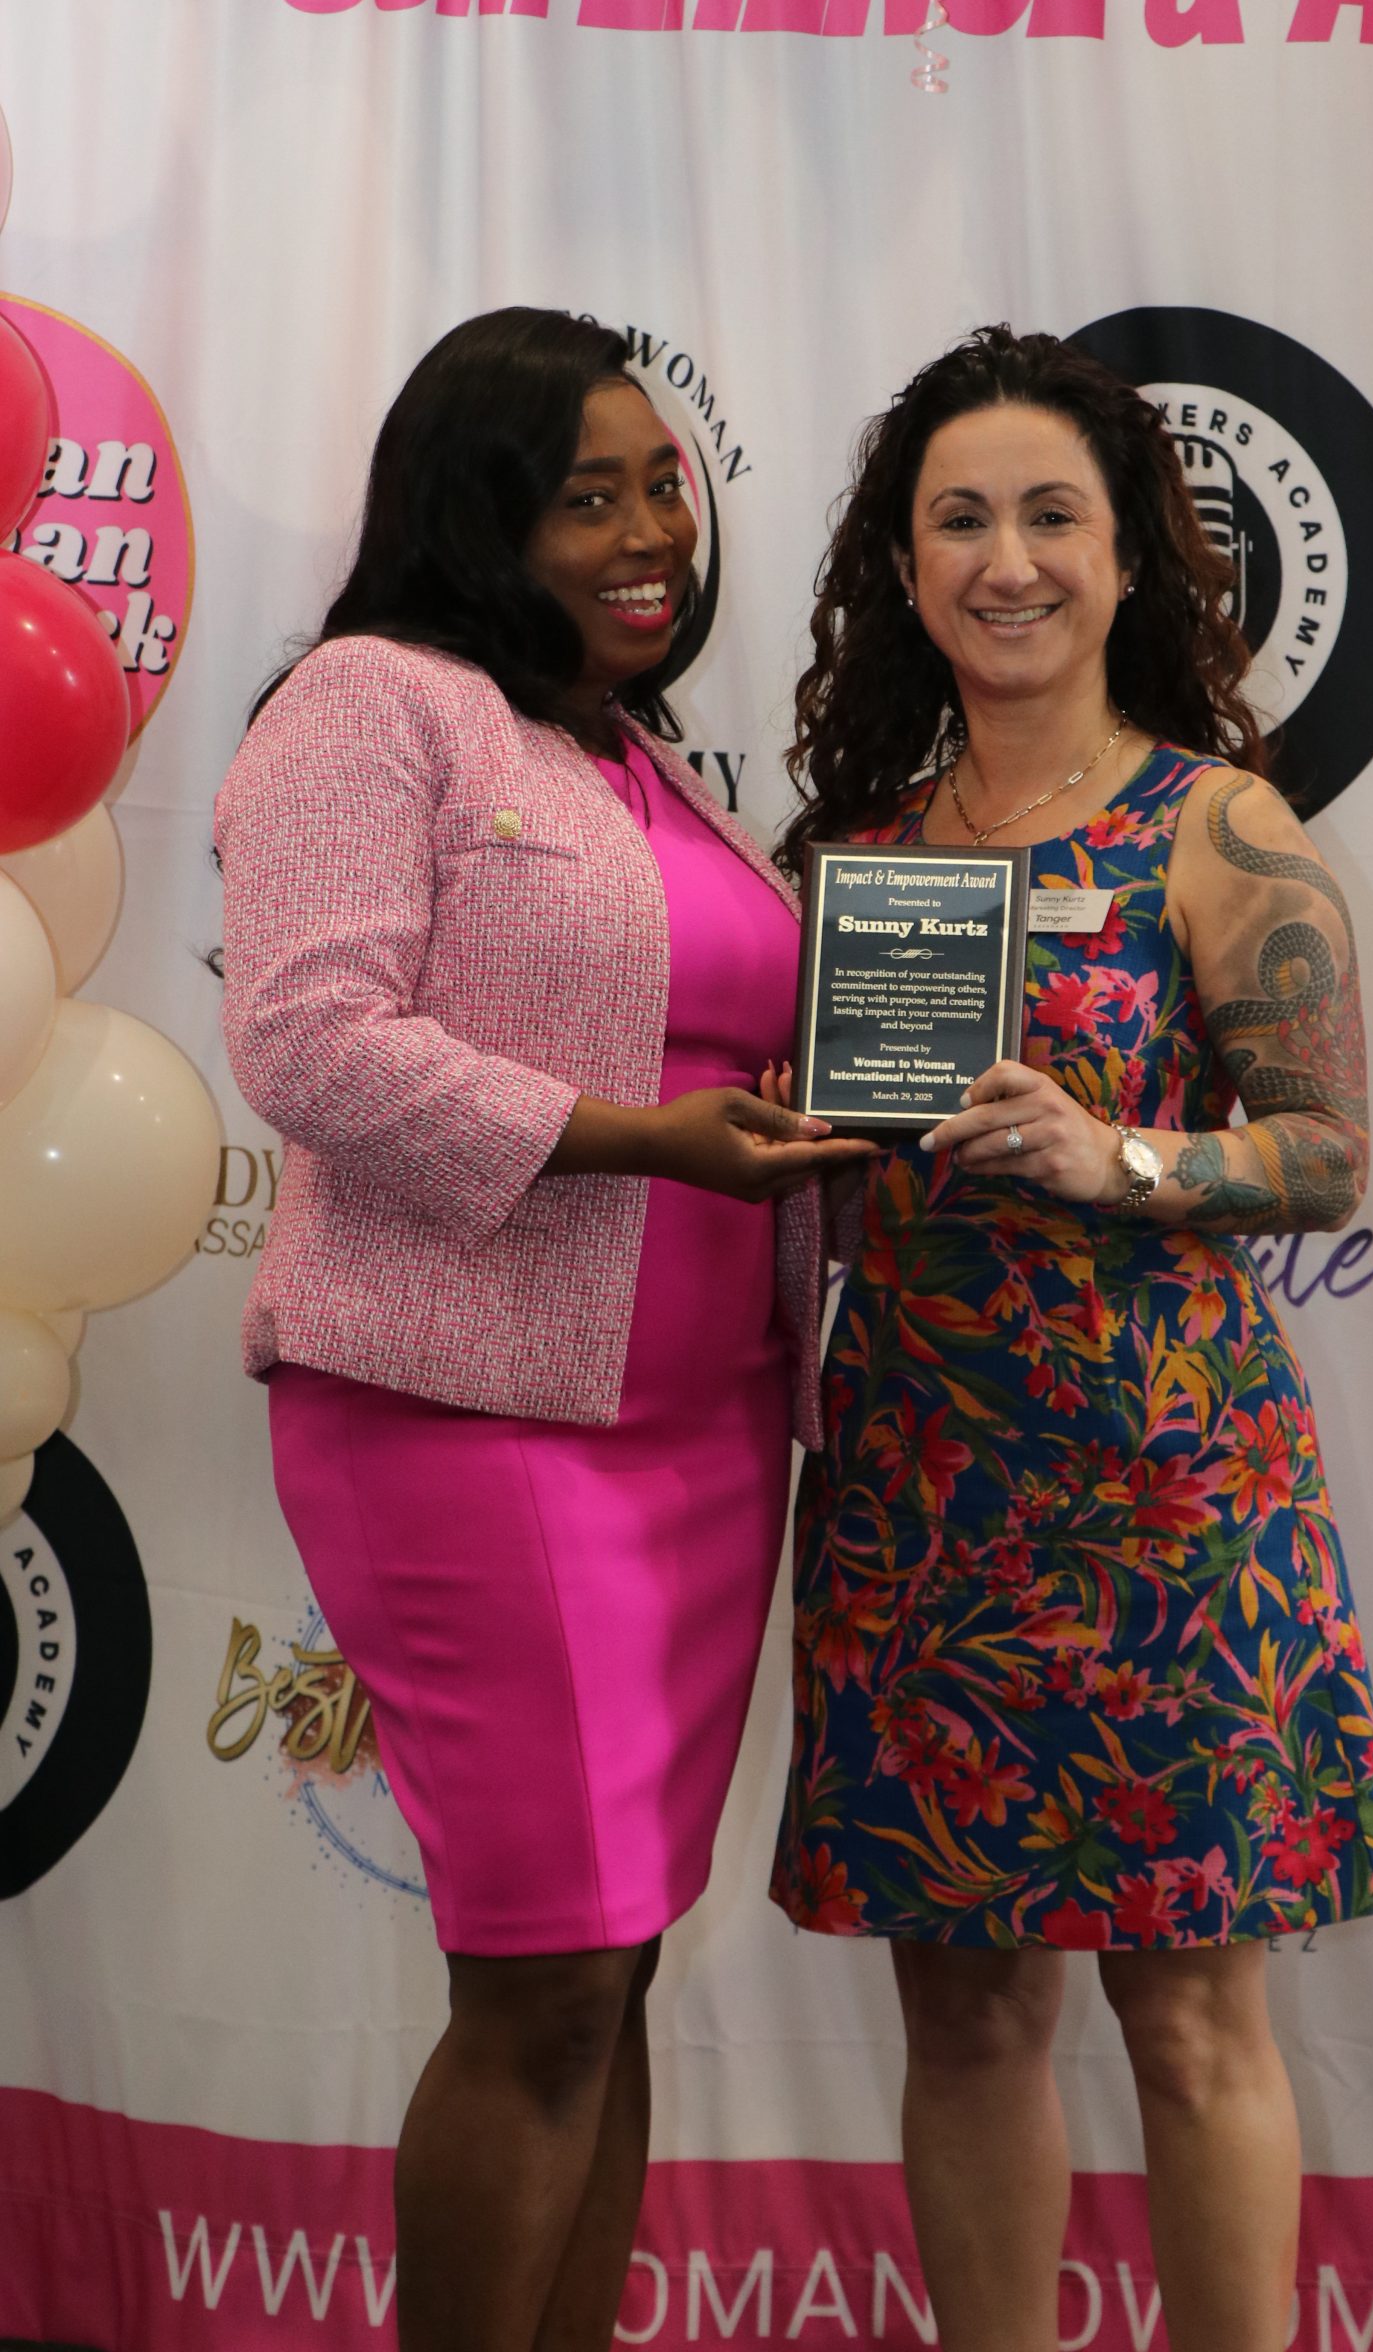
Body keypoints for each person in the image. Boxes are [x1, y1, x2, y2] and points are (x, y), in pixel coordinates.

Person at [215, 307, 870, 2352]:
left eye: (664, 484)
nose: (649, 531)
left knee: (612, 1962)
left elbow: (712, 1042)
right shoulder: (373, 699)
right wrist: (637, 1138)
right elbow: (309, 1040)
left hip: (702, 1436)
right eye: (587, 496)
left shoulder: (622, 747)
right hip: (467, 1421)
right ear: (475, 515)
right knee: (548, 1975)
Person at [770, 326, 1373, 2352]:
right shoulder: (858, 860)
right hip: (920, 1498)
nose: (1008, 558)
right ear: (903, 565)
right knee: (963, 2012)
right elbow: (823, 1187)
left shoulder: (1220, 828)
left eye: (1052, 514)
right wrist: (790, 1147)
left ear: (1130, 556)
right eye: (959, 519)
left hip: (1167, 1502)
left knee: (1193, 2014)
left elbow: (1324, 1155)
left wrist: (1113, 1151)